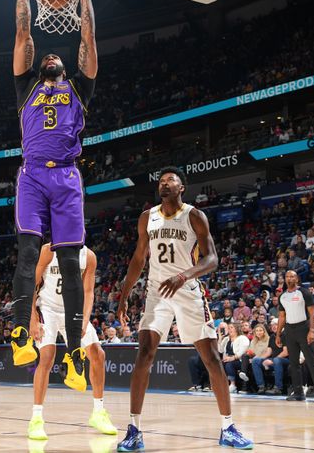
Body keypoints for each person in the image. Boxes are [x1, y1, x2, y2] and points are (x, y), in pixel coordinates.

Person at [9, 0, 98, 393]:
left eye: (53, 55)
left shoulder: (78, 86)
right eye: (44, 55)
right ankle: (20, 336)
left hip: (66, 178)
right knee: (28, 254)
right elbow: (24, 30)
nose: (48, 54)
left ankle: (76, 355)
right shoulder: (26, 85)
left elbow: (88, 36)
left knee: (70, 262)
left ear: (63, 66)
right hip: (30, 176)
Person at [116, 167, 253, 451]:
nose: (164, 184)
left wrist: (183, 276)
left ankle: (228, 427)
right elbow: (138, 259)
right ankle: (134, 429)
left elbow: (212, 258)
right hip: (157, 291)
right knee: (144, 352)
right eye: (161, 181)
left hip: (188, 290)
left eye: (170, 180)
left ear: (182, 188)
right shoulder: (147, 217)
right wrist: (124, 294)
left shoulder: (194, 216)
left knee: (212, 359)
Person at [27, 243, 116, 440]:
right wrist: (32, 318)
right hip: (47, 309)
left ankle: (99, 413)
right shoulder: (48, 250)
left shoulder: (88, 256)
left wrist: (85, 320)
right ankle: (36, 419)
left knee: (98, 355)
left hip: (72, 310)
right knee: (47, 357)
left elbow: (88, 292)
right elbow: (31, 284)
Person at [275, 270, 314, 402]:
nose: (289, 278)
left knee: (311, 362)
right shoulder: (282, 296)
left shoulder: (304, 292)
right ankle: (298, 393)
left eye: (292, 276)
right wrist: (278, 334)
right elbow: (281, 317)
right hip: (289, 330)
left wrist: (311, 330)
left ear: (296, 279)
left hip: (304, 328)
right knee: (293, 363)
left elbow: (313, 312)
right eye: (287, 276)